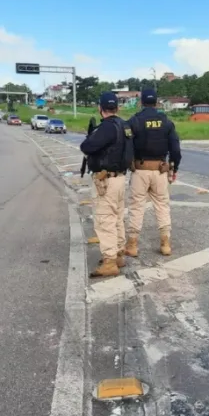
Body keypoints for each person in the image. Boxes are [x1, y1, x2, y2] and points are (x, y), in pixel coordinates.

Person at [80, 92, 133, 277]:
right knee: (117, 218)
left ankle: (109, 262)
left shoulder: (107, 127)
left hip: (106, 181)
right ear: (117, 108)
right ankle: (118, 254)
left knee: (105, 220)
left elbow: (86, 147)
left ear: (100, 109)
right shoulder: (124, 125)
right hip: (119, 179)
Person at [124, 88, 181, 258]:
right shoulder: (167, 122)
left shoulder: (134, 121)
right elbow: (176, 150)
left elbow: (126, 145)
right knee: (162, 206)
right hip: (160, 171)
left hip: (140, 171)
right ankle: (165, 243)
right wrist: (173, 168)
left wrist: (129, 163)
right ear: (157, 102)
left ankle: (132, 245)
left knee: (136, 207)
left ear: (141, 102)